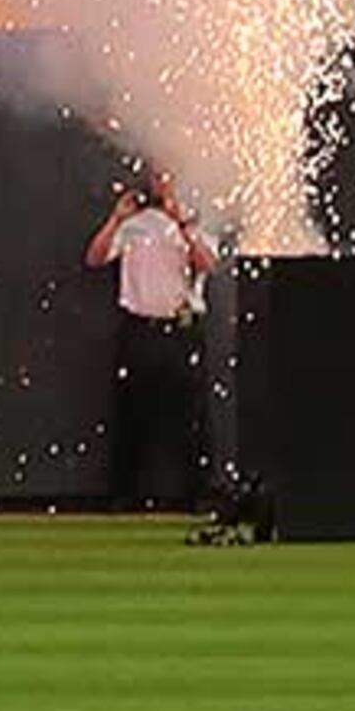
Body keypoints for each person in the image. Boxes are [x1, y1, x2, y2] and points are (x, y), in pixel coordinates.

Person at [87, 164, 216, 514]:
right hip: (138, 328)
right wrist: (116, 219)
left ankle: (200, 493)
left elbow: (206, 264)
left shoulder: (198, 221)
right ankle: (123, 494)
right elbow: (95, 258)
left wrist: (182, 222)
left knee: (192, 415)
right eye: (158, 178)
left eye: (168, 178)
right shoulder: (133, 224)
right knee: (131, 411)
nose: (162, 184)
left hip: (182, 328)